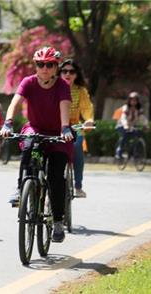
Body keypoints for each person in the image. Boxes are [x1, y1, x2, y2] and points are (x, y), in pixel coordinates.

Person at [0, 46, 73, 243]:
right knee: (28, 144)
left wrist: (65, 128)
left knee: (56, 176)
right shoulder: (28, 82)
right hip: (35, 128)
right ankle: (21, 186)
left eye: (49, 65)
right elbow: (15, 103)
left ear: (56, 67)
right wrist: (7, 123)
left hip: (59, 133)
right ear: (36, 66)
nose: (45, 68)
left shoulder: (62, 86)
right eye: (40, 64)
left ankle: (58, 222)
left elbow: (64, 106)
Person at [59, 59, 94, 198]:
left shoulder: (81, 91)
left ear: (76, 75)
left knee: (77, 144)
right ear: (60, 73)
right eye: (64, 71)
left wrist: (89, 120)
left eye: (72, 72)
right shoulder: (54, 87)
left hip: (76, 125)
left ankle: (78, 185)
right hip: (55, 124)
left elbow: (86, 109)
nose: (68, 74)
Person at [115, 92, 150, 158]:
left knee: (138, 134)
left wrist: (146, 125)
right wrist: (126, 125)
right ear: (129, 100)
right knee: (125, 135)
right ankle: (119, 150)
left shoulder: (139, 110)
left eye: (135, 100)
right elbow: (123, 118)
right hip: (122, 125)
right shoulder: (126, 108)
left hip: (131, 126)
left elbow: (143, 118)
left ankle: (135, 151)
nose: (133, 102)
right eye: (132, 100)